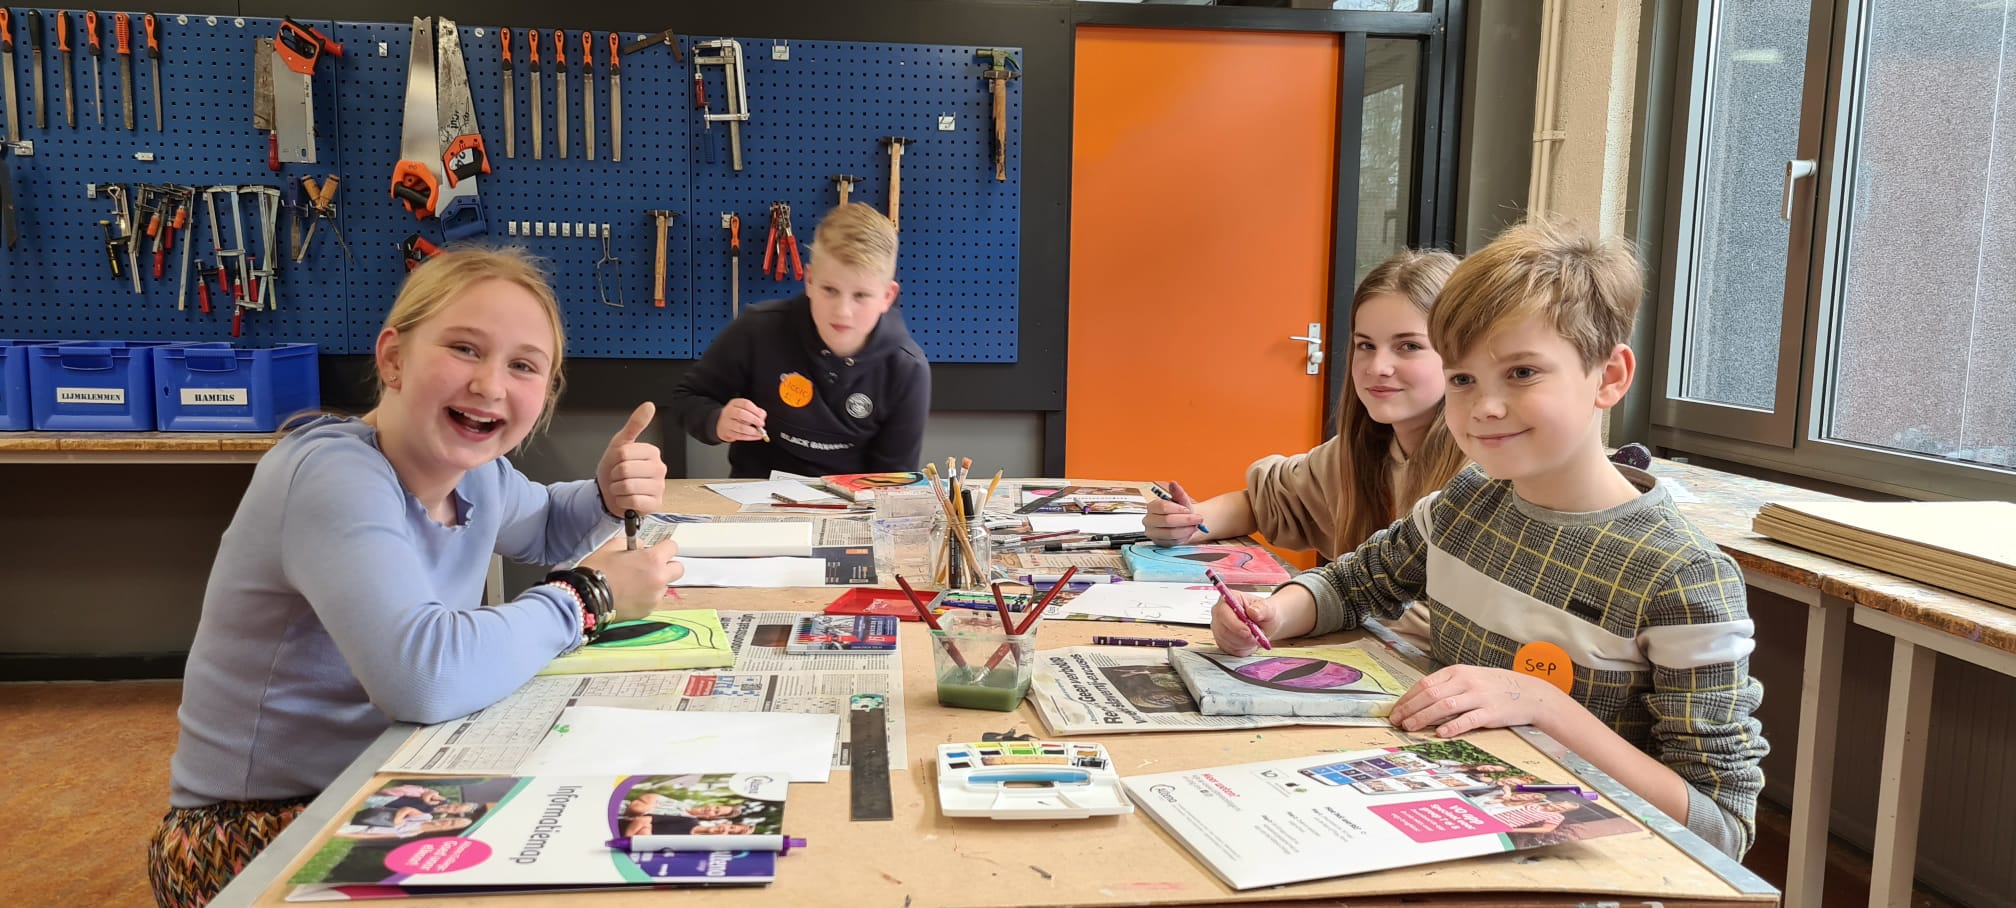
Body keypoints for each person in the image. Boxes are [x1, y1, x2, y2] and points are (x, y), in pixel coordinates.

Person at [1210, 220, 1767, 859]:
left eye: (1523, 373)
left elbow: (1722, 827)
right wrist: (1274, 611)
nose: (1485, 408)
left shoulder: (1683, 575)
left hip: (1575, 870)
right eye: (1463, 379)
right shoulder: (1464, 503)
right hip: (1433, 818)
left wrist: (1541, 705)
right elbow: (1351, 583)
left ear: (1609, 376)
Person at [148, 247, 685, 908]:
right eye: (465, 348)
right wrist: (587, 597)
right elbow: (423, 677)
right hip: (249, 833)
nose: (491, 385)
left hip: (386, 782)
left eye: (523, 366)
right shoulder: (330, 476)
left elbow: (545, 526)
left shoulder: (478, 475)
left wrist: (603, 494)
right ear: (394, 358)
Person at [1145, 250, 1468, 647]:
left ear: (1461, 355)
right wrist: (1190, 520)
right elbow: (1267, 502)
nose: (1377, 366)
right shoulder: (1357, 453)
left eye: (1408, 347)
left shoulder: (1484, 477)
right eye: (1365, 345)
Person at [671, 203, 930, 478]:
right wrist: (716, 420)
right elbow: (686, 398)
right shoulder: (757, 330)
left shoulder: (907, 369)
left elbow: (892, 482)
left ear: (887, 297)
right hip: (755, 503)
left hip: (852, 511)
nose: (843, 311)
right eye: (829, 289)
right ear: (809, 280)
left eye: (861, 296)